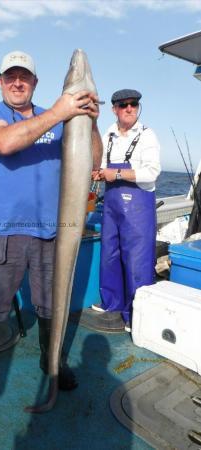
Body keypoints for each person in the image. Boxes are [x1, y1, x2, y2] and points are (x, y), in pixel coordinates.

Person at [0, 50, 103, 401]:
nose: (18, 82)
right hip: (3, 231)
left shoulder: (58, 117)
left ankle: (51, 359)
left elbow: (94, 161)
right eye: (11, 77)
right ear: (1, 82)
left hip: (51, 232)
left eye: (25, 77)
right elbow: (6, 142)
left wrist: (90, 121)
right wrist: (60, 112)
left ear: (35, 83)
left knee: (51, 304)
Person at [92, 89, 161, 332]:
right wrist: (99, 172)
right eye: (124, 105)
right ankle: (111, 302)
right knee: (110, 252)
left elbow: (152, 172)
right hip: (111, 204)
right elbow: (102, 165)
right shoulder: (108, 133)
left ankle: (136, 315)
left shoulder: (147, 135)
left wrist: (117, 173)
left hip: (139, 208)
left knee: (137, 261)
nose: (130, 108)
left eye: (134, 104)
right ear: (114, 109)